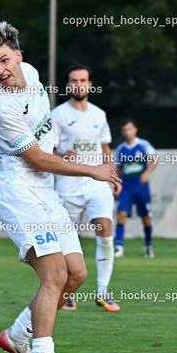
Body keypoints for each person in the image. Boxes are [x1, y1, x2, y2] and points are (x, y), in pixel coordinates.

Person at [0, 22, 121, 353]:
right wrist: (93, 170)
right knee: (54, 275)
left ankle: (17, 334)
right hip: (19, 194)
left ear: (18, 56)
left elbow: (35, 130)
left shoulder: (32, 74)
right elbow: (36, 158)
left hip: (45, 191)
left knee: (76, 275)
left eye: (5, 60)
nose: (0, 70)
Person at [51, 64, 122, 312]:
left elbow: (105, 150)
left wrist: (112, 177)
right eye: (73, 81)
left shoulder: (99, 115)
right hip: (68, 186)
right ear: (67, 85)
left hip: (96, 186)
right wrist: (62, 155)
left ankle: (102, 292)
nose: (78, 85)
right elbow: (46, 151)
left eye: (82, 80)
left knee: (105, 231)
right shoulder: (58, 114)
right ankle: (68, 293)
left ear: (90, 85)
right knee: (69, 241)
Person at [114, 119, 158, 258]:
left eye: (129, 129)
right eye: (124, 130)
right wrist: (116, 184)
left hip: (141, 187)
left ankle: (148, 246)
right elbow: (119, 168)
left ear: (135, 130)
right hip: (126, 187)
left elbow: (154, 160)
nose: (127, 132)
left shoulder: (143, 144)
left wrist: (146, 173)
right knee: (121, 215)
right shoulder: (121, 148)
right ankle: (119, 247)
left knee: (146, 218)